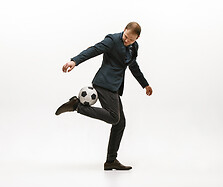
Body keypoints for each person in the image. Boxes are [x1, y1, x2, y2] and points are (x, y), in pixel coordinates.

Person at [55, 22, 153, 170]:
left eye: (131, 39)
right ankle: (77, 106)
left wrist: (145, 84)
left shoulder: (134, 47)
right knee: (114, 117)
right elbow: (94, 50)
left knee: (120, 124)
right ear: (124, 30)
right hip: (104, 83)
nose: (127, 41)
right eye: (126, 37)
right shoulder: (112, 40)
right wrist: (74, 61)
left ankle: (111, 161)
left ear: (137, 38)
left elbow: (133, 66)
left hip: (114, 87)